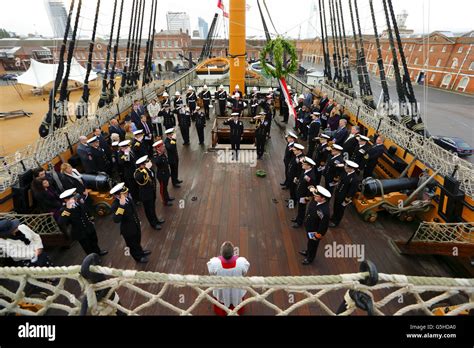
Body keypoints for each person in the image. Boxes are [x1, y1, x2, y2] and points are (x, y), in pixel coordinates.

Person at [58, 188, 107, 257]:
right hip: (80, 232)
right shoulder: (64, 210)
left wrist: (91, 219)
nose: (75, 198)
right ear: (66, 200)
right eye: (73, 197)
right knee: (87, 246)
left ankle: (98, 252)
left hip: (89, 226)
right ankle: (92, 258)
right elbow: (61, 222)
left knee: (94, 240)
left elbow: (85, 210)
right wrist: (68, 209)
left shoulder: (78, 203)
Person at [110, 183, 151, 263]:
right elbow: (116, 219)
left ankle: (141, 252)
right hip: (128, 230)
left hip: (135, 224)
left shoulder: (128, 199)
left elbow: (133, 211)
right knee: (132, 245)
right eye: (124, 193)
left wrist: (137, 220)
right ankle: (138, 257)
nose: (127, 193)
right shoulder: (115, 205)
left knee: (137, 240)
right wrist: (121, 206)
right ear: (118, 196)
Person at [207, 241, 250, 316]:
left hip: (222, 288)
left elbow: (211, 272)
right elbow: (244, 272)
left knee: (222, 298)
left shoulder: (215, 263)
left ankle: (222, 312)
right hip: (236, 287)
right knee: (236, 296)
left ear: (221, 252)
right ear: (233, 253)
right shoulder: (241, 262)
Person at [298, 185, 331, 265]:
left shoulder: (324, 211)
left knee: (313, 245)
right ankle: (307, 251)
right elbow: (312, 191)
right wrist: (312, 188)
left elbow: (324, 225)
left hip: (315, 231)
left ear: (323, 198)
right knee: (310, 242)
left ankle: (310, 258)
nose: (314, 196)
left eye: (317, 195)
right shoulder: (316, 200)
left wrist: (318, 235)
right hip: (309, 226)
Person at [134, 155, 165, 230]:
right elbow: (138, 178)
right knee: (149, 210)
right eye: (146, 162)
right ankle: (153, 223)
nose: (149, 162)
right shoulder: (138, 172)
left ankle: (156, 220)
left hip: (151, 191)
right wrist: (145, 169)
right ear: (142, 165)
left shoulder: (148, 169)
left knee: (152, 208)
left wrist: (147, 168)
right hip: (146, 195)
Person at [330, 160, 361, 227]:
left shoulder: (355, 179)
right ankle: (333, 217)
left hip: (344, 197)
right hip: (338, 193)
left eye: (347, 168)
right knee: (335, 206)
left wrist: (347, 199)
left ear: (351, 169)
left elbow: (352, 190)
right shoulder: (345, 172)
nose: (345, 169)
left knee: (340, 210)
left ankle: (336, 222)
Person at [291, 157, 317, 228]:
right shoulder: (305, 170)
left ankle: (299, 222)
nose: (302, 164)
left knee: (302, 209)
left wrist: (307, 197)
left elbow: (311, 188)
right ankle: (297, 218)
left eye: (304, 164)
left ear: (309, 166)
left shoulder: (311, 176)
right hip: (300, 191)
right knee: (300, 208)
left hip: (304, 195)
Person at [153, 140, 174, 206]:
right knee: (163, 189)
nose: (163, 147)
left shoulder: (163, 153)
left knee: (165, 187)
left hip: (166, 173)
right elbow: (157, 162)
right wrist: (160, 154)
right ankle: (165, 201)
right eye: (162, 147)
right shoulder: (156, 155)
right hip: (161, 175)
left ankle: (167, 197)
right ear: (157, 148)